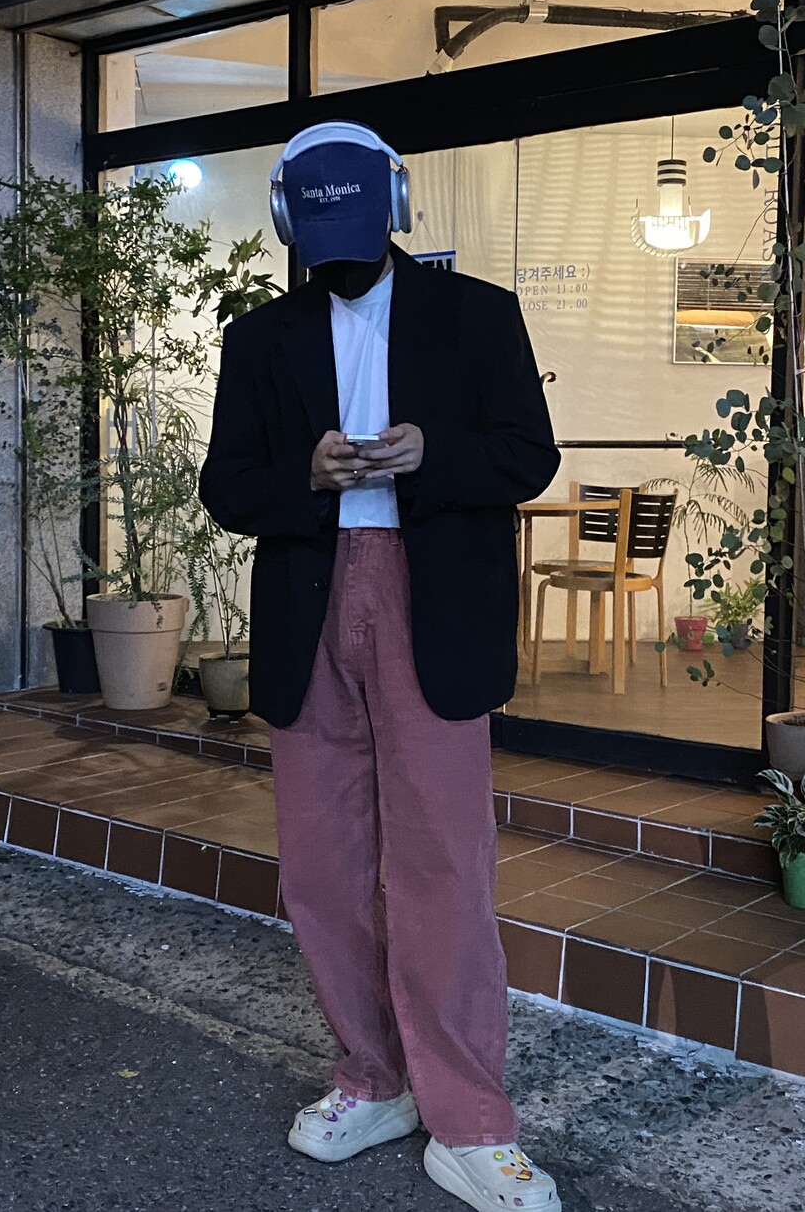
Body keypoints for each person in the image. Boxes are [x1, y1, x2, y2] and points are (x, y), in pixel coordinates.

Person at [198, 121, 562, 1212]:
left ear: (396, 210)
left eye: (358, 237)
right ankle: (374, 1076)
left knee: (445, 861)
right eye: (322, 244)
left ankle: (471, 1118)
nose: (341, 262)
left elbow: (529, 455)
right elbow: (226, 484)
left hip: (430, 603)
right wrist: (306, 476)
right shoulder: (259, 338)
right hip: (310, 603)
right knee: (321, 864)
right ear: (290, 226)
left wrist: (431, 454)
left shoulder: (477, 314)